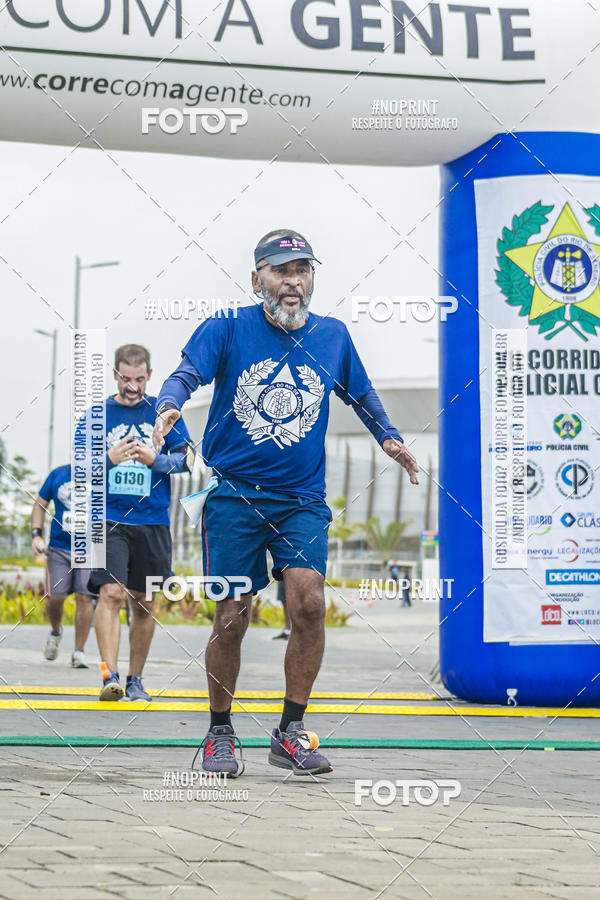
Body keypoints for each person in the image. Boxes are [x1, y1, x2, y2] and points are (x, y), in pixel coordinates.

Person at [153, 229, 419, 777]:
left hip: (302, 500)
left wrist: (389, 437)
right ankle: (220, 733)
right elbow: (185, 374)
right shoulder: (227, 327)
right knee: (232, 614)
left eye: (302, 270)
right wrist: (169, 406)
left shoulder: (333, 336)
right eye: (280, 270)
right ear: (258, 280)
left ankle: (290, 733)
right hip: (232, 497)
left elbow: (362, 394)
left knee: (310, 603)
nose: (293, 281)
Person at [85, 344, 192, 701]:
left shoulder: (162, 413)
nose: (132, 386)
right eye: (126, 379)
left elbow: (187, 459)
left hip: (153, 521)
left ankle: (135, 680)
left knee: (144, 602)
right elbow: (79, 468)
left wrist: (155, 460)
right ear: (115, 374)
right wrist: (109, 459)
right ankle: (109, 677)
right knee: (110, 592)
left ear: (149, 376)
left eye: (140, 379)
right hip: (108, 519)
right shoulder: (96, 415)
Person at [31, 464, 95, 668]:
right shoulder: (58, 474)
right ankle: (56, 631)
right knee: (55, 597)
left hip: (90, 549)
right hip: (59, 548)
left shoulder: (102, 473)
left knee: (84, 597)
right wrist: (36, 534)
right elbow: (40, 504)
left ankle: (79, 651)